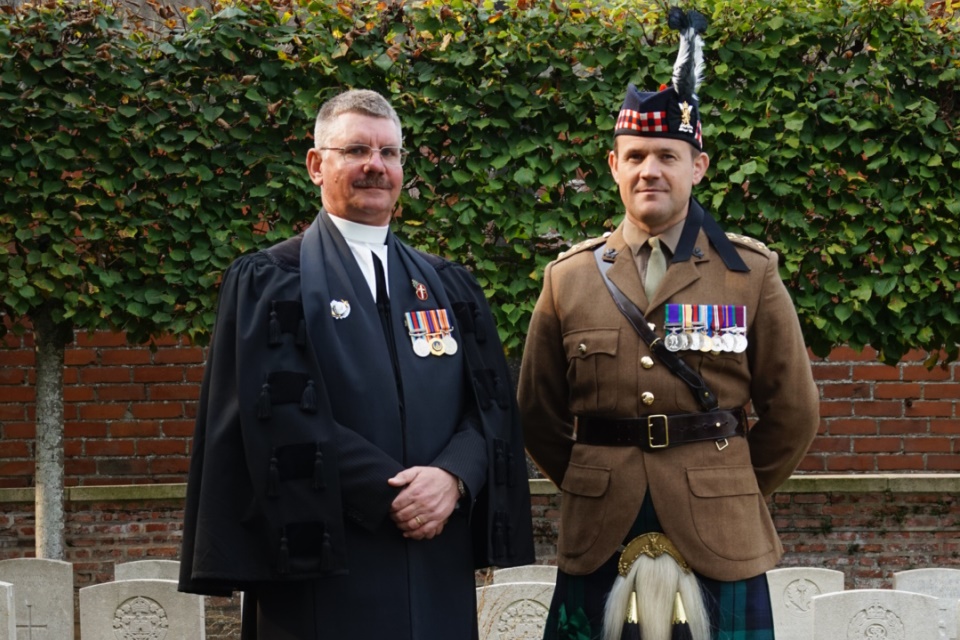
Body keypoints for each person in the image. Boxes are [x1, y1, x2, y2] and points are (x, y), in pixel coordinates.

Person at [178, 89, 534, 639]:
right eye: (356, 151)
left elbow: (488, 404)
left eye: (388, 154)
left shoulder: (447, 285)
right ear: (317, 165)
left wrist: (455, 477)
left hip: (437, 558)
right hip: (328, 561)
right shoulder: (273, 283)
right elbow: (276, 416)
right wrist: (392, 493)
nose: (375, 166)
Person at [518, 9, 820, 640]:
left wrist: (727, 479)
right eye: (635, 156)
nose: (649, 170)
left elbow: (793, 410)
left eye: (666, 155)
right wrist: (594, 476)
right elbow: (537, 413)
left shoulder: (749, 272)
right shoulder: (568, 278)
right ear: (613, 165)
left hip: (721, 525)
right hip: (601, 527)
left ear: (697, 167)